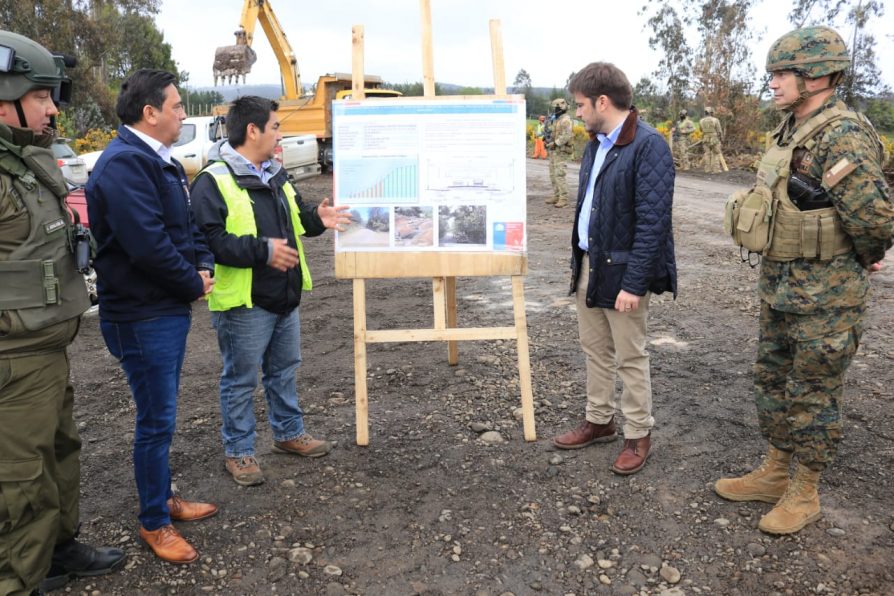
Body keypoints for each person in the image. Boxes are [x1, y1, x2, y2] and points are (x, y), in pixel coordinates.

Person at [715, 27, 894, 534]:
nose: (772, 83)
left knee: (815, 388)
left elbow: (875, 219)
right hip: (780, 283)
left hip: (828, 294)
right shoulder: (790, 128)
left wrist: (867, 256)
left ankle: (805, 490)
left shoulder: (844, 133)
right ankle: (774, 472)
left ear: (816, 76)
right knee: (772, 378)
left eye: (781, 73)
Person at [0, 30, 126, 595]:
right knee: (17, 485)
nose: (53, 108)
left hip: (43, 350)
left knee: (59, 454)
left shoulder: (26, 159)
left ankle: (57, 551)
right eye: (41, 95)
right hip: (12, 361)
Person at [86, 69, 218, 565]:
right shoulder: (124, 165)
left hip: (162, 307)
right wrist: (190, 282)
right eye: (178, 105)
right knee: (156, 421)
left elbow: (183, 228)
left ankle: (162, 499)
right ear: (151, 112)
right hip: (141, 315)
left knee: (162, 415)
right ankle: (154, 523)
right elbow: (147, 245)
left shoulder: (154, 160)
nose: (184, 114)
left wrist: (202, 265)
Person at [190, 97, 351, 486]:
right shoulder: (212, 181)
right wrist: (264, 251)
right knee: (241, 379)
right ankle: (240, 452)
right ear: (253, 131)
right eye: (276, 127)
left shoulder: (275, 174)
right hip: (245, 302)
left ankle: (288, 433)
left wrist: (319, 219)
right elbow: (211, 240)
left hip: (284, 295)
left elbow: (297, 219)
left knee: (284, 370)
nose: (280, 134)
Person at [552, 62, 676, 475]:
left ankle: (638, 434)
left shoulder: (649, 145)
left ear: (603, 101)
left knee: (629, 355)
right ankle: (599, 420)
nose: (579, 113)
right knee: (595, 350)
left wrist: (634, 283)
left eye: (582, 105)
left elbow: (653, 223)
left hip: (624, 274)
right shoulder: (595, 143)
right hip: (590, 264)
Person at [546, 98, 573, 208]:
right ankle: (556, 195)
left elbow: (566, 136)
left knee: (559, 175)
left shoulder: (565, 120)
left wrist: (555, 143)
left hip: (561, 151)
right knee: (553, 175)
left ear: (561, 108)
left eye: (556, 108)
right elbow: (554, 132)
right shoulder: (558, 119)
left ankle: (563, 198)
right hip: (554, 151)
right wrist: (547, 139)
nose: (554, 110)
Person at [699, 106, 724, 173]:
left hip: (705, 138)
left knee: (707, 154)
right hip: (714, 139)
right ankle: (716, 169)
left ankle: (707, 169)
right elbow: (719, 131)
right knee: (716, 153)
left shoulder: (701, 121)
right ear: (711, 112)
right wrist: (721, 138)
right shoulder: (715, 120)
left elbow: (701, 130)